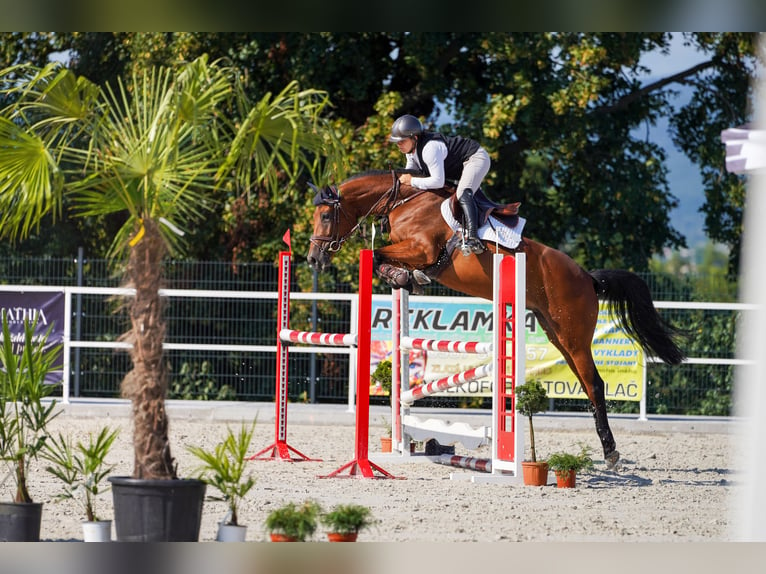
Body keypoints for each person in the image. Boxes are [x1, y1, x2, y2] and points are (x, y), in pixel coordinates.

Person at [389, 114, 490, 255]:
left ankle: (473, 237)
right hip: (458, 168)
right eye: (397, 142)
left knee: (462, 193)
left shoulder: (430, 148)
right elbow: (411, 174)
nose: (398, 144)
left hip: (475, 158)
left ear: (415, 138)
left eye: (402, 141)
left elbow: (437, 181)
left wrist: (411, 181)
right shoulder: (410, 151)